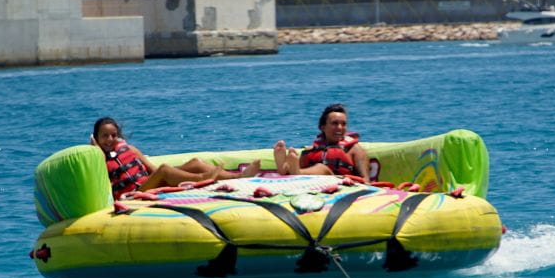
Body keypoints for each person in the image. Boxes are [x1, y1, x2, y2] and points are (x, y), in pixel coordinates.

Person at [92, 117, 260, 199]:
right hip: (134, 193)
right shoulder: (99, 159)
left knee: (195, 163)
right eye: (104, 136)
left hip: (148, 183)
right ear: (97, 138)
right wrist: (95, 147)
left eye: (113, 135)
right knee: (165, 169)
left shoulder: (130, 149)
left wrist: (166, 177)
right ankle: (203, 179)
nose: (109, 140)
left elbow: (152, 169)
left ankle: (239, 176)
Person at [272, 103, 370, 182]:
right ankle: (284, 169)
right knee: (297, 163)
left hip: (341, 185)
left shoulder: (355, 149)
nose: (340, 127)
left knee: (322, 168)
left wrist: (347, 180)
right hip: (314, 186)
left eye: (343, 124)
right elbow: (301, 170)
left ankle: (293, 172)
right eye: (335, 123)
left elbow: (366, 180)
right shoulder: (311, 150)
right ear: (323, 127)